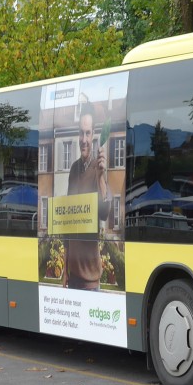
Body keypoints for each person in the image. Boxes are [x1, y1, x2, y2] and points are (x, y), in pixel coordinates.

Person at [63, 110, 111, 290]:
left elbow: (104, 213)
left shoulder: (99, 167)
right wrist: (65, 268)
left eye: (88, 133)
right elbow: (67, 223)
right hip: (72, 276)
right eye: (81, 133)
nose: (84, 139)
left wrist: (100, 178)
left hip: (90, 280)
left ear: (93, 135)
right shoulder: (73, 169)